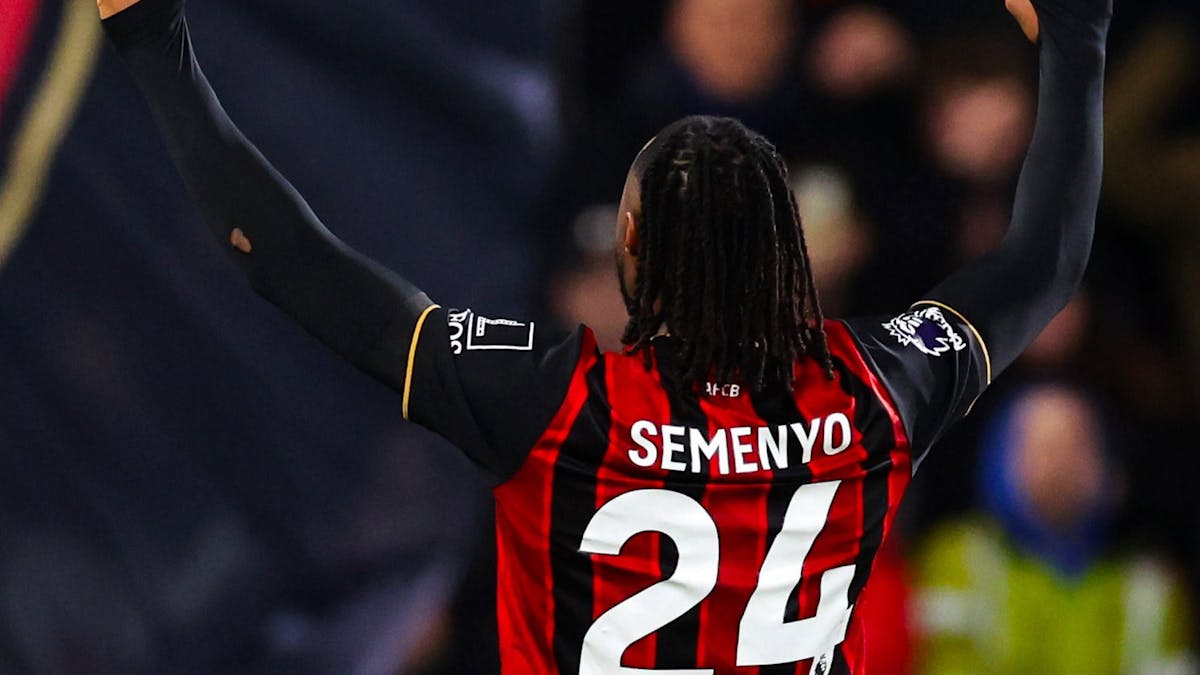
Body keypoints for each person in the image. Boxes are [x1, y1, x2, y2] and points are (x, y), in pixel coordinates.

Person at [95, 0, 1109, 670]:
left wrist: (155, 46)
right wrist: (1076, 36)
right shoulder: (875, 389)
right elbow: (1042, 264)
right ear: (792, 252)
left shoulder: (555, 399)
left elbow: (283, 258)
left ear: (632, 251)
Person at [914, 384, 1195, 674]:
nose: (1061, 465)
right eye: (1041, 447)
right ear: (997, 460)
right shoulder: (958, 559)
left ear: (1111, 468)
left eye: (1077, 444)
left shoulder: (1152, 584)